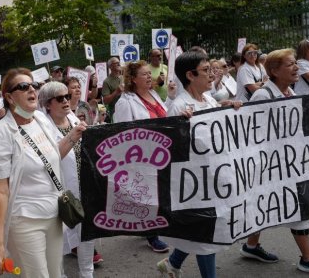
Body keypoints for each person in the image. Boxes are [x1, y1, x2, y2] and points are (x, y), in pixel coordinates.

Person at [0, 68, 86, 278]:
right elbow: (0, 193)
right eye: (23, 87)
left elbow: (51, 159)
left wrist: (73, 136)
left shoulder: (40, 120)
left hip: (54, 215)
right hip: (24, 220)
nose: (32, 90)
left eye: (33, 85)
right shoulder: (0, 134)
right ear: (9, 97)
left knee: (56, 274)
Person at [241, 48, 309, 277]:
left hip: (289, 163)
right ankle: (308, 258)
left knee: (265, 205)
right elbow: (249, 132)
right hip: (270, 166)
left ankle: (251, 246)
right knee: (299, 203)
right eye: (290, 64)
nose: (296, 67)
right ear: (274, 71)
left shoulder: (290, 94)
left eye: (296, 63)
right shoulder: (263, 96)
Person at [157, 51, 241, 278]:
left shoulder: (210, 100)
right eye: (206, 71)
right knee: (207, 233)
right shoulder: (179, 107)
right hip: (196, 184)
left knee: (198, 231)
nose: (212, 75)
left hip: (215, 176)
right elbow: (171, 148)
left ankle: (172, 263)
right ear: (190, 75)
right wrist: (179, 126)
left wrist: (230, 110)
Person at [38, 81, 98, 278]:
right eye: (59, 98)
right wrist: (73, 136)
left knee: (87, 234)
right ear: (47, 104)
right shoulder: (41, 127)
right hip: (59, 192)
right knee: (60, 238)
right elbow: (49, 158)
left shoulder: (72, 117)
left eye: (66, 96)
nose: (66, 100)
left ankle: (86, 273)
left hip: (84, 185)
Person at [112, 61, 171, 253]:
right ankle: (151, 234)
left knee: (160, 191)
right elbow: (123, 133)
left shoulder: (154, 94)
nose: (149, 77)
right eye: (144, 74)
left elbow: (166, 115)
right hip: (142, 156)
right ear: (133, 79)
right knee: (147, 193)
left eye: (149, 74)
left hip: (162, 152)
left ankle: (153, 225)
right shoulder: (125, 101)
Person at [101, 57, 123, 121]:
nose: (119, 64)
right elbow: (105, 101)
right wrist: (116, 91)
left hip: (127, 109)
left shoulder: (124, 77)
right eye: (116, 63)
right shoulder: (106, 81)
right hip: (115, 112)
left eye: (119, 62)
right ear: (110, 67)